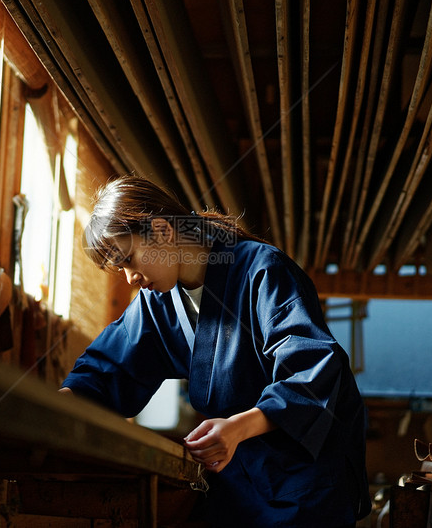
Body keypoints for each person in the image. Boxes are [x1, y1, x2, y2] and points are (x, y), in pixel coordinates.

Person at [60, 175, 371, 527]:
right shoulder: (157, 302)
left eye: (130, 259)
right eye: (120, 268)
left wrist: (237, 429)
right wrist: (64, 402)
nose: (129, 278)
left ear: (162, 231)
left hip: (305, 476)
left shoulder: (262, 269)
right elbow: (108, 368)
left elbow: (313, 368)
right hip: (238, 477)